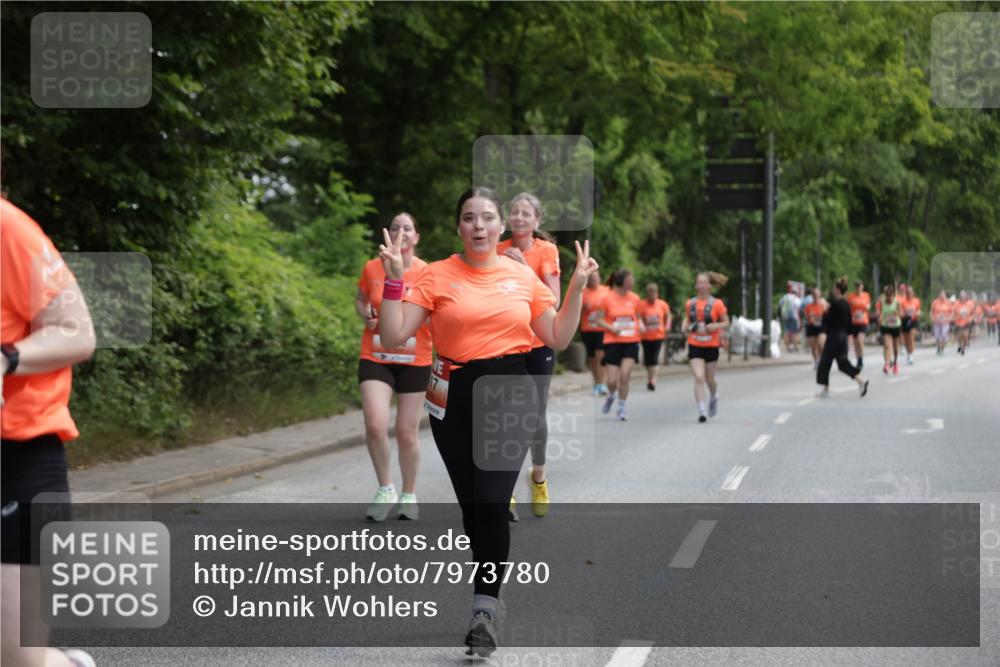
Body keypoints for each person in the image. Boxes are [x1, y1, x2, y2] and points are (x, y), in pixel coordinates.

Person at [376, 187, 597, 656]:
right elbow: (394, 334)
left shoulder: (522, 276)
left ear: (501, 227)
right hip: (451, 394)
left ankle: (485, 609)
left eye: (487, 217)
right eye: (469, 217)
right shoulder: (436, 275)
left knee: (494, 503)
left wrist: (576, 289)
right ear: (458, 226)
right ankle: (490, 591)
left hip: (509, 390)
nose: (478, 225)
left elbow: (557, 336)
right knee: (473, 508)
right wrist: (394, 281)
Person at [2, 198, 98, 667]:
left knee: (16, 657)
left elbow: (77, 332)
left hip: (18, 456)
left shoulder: (7, 228)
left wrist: (6, 359)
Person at [355, 212, 432, 522]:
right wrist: (366, 315)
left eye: (407, 228)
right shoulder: (372, 267)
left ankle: (409, 493)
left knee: (406, 432)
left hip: (415, 359)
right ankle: (385, 487)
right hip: (376, 355)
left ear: (416, 236)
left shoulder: (428, 272)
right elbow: (361, 299)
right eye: (395, 227)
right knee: (376, 425)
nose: (401, 232)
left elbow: (436, 312)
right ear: (387, 234)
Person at [496, 193, 560, 518]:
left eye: (526, 213)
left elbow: (554, 300)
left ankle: (538, 477)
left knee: (534, 416)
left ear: (537, 220)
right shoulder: (496, 249)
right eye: (515, 212)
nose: (519, 217)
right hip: (505, 344)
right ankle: (504, 489)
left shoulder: (546, 251)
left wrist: (523, 269)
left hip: (538, 344)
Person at [682, 272, 730, 423]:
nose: (702, 285)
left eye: (704, 282)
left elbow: (726, 322)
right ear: (696, 286)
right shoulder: (690, 303)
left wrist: (715, 326)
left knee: (710, 379)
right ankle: (702, 410)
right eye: (699, 282)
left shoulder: (717, 304)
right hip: (695, 344)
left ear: (709, 286)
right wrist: (685, 326)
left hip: (711, 345)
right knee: (698, 377)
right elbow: (687, 319)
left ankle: (714, 395)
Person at [596, 269, 642, 421]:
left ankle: (621, 407)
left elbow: (638, 317)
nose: (633, 281)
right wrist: (611, 328)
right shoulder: (606, 298)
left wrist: (641, 325)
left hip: (631, 341)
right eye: (630, 279)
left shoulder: (635, 298)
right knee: (611, 380)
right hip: (612, 342)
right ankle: (611, 395)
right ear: (622, 281)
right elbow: (598, 319)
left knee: (625, 374)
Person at [816, 276, 870, 398]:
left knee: (825, 362)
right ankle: (861, 381)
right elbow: (850, 323)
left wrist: (825, 311)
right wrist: (848, 336)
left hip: (834, 336)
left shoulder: (834, 304)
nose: (833, 290)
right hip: (843, 337)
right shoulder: (846, 304)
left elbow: (827, 322)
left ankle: (826, 389)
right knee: (842, 363)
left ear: (837, 289)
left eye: (834, 288)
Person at [637, 282, 671, 391]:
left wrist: (668, 325)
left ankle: (653, 380)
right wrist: (641, 324)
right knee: (648, 359)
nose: (652, 295)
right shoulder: (642, 305)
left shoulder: (662, 304)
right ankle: (650, 377)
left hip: (658, 335)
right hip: (645, 336)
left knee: (655, 357)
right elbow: (638, 317)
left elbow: (668, 315)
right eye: (650, 293)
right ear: (647, 294)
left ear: (657, 293)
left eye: (654, 293)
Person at [580, 271, 609, 396]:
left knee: (600, 355)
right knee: (592, 358)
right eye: (591, 277)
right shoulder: (583, 292)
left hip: (602, 329)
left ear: (600, 278)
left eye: (596, 277)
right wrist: (584, 308)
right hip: (587, 329)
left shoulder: (606, 291)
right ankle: (596, 383)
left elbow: (612, 308)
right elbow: (576, 311)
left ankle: (602, 383)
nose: (593, 279)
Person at [876, 284, 902, 375]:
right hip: (886, 326)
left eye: (890, 296)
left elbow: (901, 314)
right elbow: (881, 313)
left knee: (895, 348)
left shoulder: (897, 302)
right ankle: (887, 364)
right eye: (887, 295)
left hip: (895, 326)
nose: (889, 298)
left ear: (893, 295)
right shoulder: (882, 302)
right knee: (887, 345)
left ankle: (894, 364)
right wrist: (880, 319)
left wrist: (896, 313)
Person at [847, 280, 872, 369]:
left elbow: (868, 306)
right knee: (856, 342)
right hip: (854, 322)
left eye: (860, 286)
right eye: (857, 286)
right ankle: (858, 359)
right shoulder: (851, 297)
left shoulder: (866, 295)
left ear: (862, 286)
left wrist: (865, 308)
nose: (858, 287)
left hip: (863, 321)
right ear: (855, 287)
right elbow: (848, 309)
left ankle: (861, 360)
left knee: (860, 340)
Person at [802, 286, 827, 369]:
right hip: (811, 327)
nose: (815, 295)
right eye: (814, 294)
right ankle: (817, 361)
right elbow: (806, 317)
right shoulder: (808, 306)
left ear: (820, 294)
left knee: (821, 344)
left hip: (821, 327)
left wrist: (818, 317)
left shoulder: (823, 305)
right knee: (813, 347)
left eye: (816, 294)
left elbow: (827, 316)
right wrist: (810, 316)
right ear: (812, 295)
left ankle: (822, 361)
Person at [899, 284, 921, 365]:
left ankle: (911, 355)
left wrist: (918, 313)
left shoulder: (916, 301)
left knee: (911, 339)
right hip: (905, 321)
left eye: (910, 292)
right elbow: (901, 313)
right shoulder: (903, 302)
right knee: (906, 340)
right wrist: (906, 314)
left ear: (913, 293)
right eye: (908, 292)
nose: (909, 294)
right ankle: (908, 353)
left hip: (913, 321)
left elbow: (918, 310)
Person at [777, 285, 802, 352]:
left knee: (786, 331)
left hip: (785, 316)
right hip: (794, 317)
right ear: (796, 292)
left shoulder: (784, 297)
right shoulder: (796, 298)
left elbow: (780, 305)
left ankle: (787, 347)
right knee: (794, 332)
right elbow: (799, 307)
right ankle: (795, 346)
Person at [930, 289, 953, 356]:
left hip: (945, 322)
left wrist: (949, 318)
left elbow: (951, 312)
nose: (942, 296)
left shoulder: (948, 302)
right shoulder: (935, 302)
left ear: (945, 295)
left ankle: (942, 349)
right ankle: (938, 347)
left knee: (943, 335)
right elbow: (931, 311)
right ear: (939, 295)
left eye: (943, 294)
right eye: (941, 294)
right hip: (937, 322)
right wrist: (932, 318)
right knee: (937, 336)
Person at [953, 290, 975, 355]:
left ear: (966, 297)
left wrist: (971, 319)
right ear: (959, 297)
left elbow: (973, 313)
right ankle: (959, 345)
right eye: (961, 296)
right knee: (959, 336)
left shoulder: (970, 304)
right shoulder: (956, 303)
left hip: (966, 322)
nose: (962, 297)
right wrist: (954, 317)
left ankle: (963, 348)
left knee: (965, 335)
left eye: (963, 296)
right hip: (958, 322)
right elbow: (953, 312)